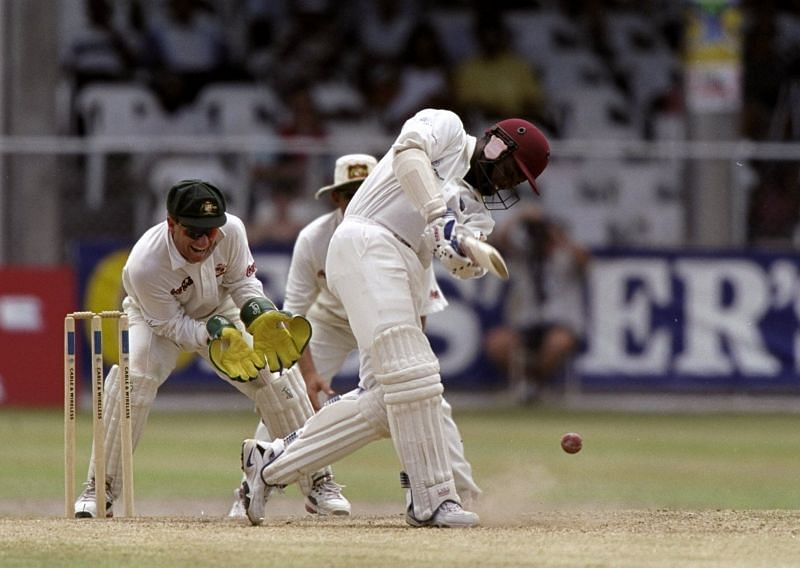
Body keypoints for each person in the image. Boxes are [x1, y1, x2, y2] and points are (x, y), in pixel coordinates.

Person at [238, 108, 550, 528]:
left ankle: (270, 464)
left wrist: (460, 249)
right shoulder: (447, 128)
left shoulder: (479, 214)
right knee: (415, 370)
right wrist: (438, 216)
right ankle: (433, 500)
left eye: (518, 182)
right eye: (512, 170)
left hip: (408, 268)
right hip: (368, 238)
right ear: (497, 145)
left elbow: (465, 265)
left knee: (389, 398)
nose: (509, 183)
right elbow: (408, 154)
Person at [74, 179, 349, 518]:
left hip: (219, 307)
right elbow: (171, 326)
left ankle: (318, 480)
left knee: (276, 378)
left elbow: (243, 283)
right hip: (155, 319)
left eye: (211, 232)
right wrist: (213, 334)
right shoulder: (145, 264)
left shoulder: (231, 230)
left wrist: (257, 314)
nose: (204, 241)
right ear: (171, 223)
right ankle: (99, 488)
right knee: (134, 381)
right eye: (194, 232)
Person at [229, 154, 482, 517]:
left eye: (366, 189)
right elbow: (295, 313)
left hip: (384, 320)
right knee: (290, 391)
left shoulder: (408, 231)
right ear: (336, 198)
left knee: (422, 397)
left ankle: (455, 492)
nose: (359, 198)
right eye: (350, 193)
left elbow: (419, 310)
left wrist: (410, 364)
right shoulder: (314, 238)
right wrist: (311, 375)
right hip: (328, 323)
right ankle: (255, 486)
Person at [484, 205, 591, 404]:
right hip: (525, 323)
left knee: (557, 343)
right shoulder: (522, 256)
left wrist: (555, 234)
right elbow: (496, 244)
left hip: (560, 322)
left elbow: (585, 261)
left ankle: (536, 384)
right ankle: (528, 385)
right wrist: (518, 219)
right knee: (497, 344)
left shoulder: (564, 256)